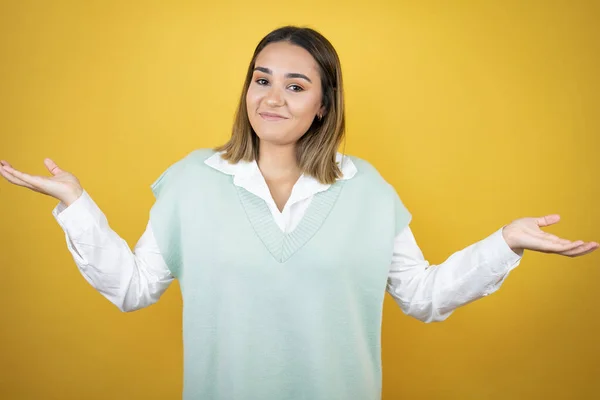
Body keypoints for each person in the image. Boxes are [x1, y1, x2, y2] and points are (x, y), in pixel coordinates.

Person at [1, 26, 597, 400]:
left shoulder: (368, 189)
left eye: (295, 85)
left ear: (323, 103)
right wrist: (77, 206)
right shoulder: (191, 181)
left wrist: (506, 243)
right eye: (261, 80)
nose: (271, 97)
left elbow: (422, 294)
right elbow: (132, 287)